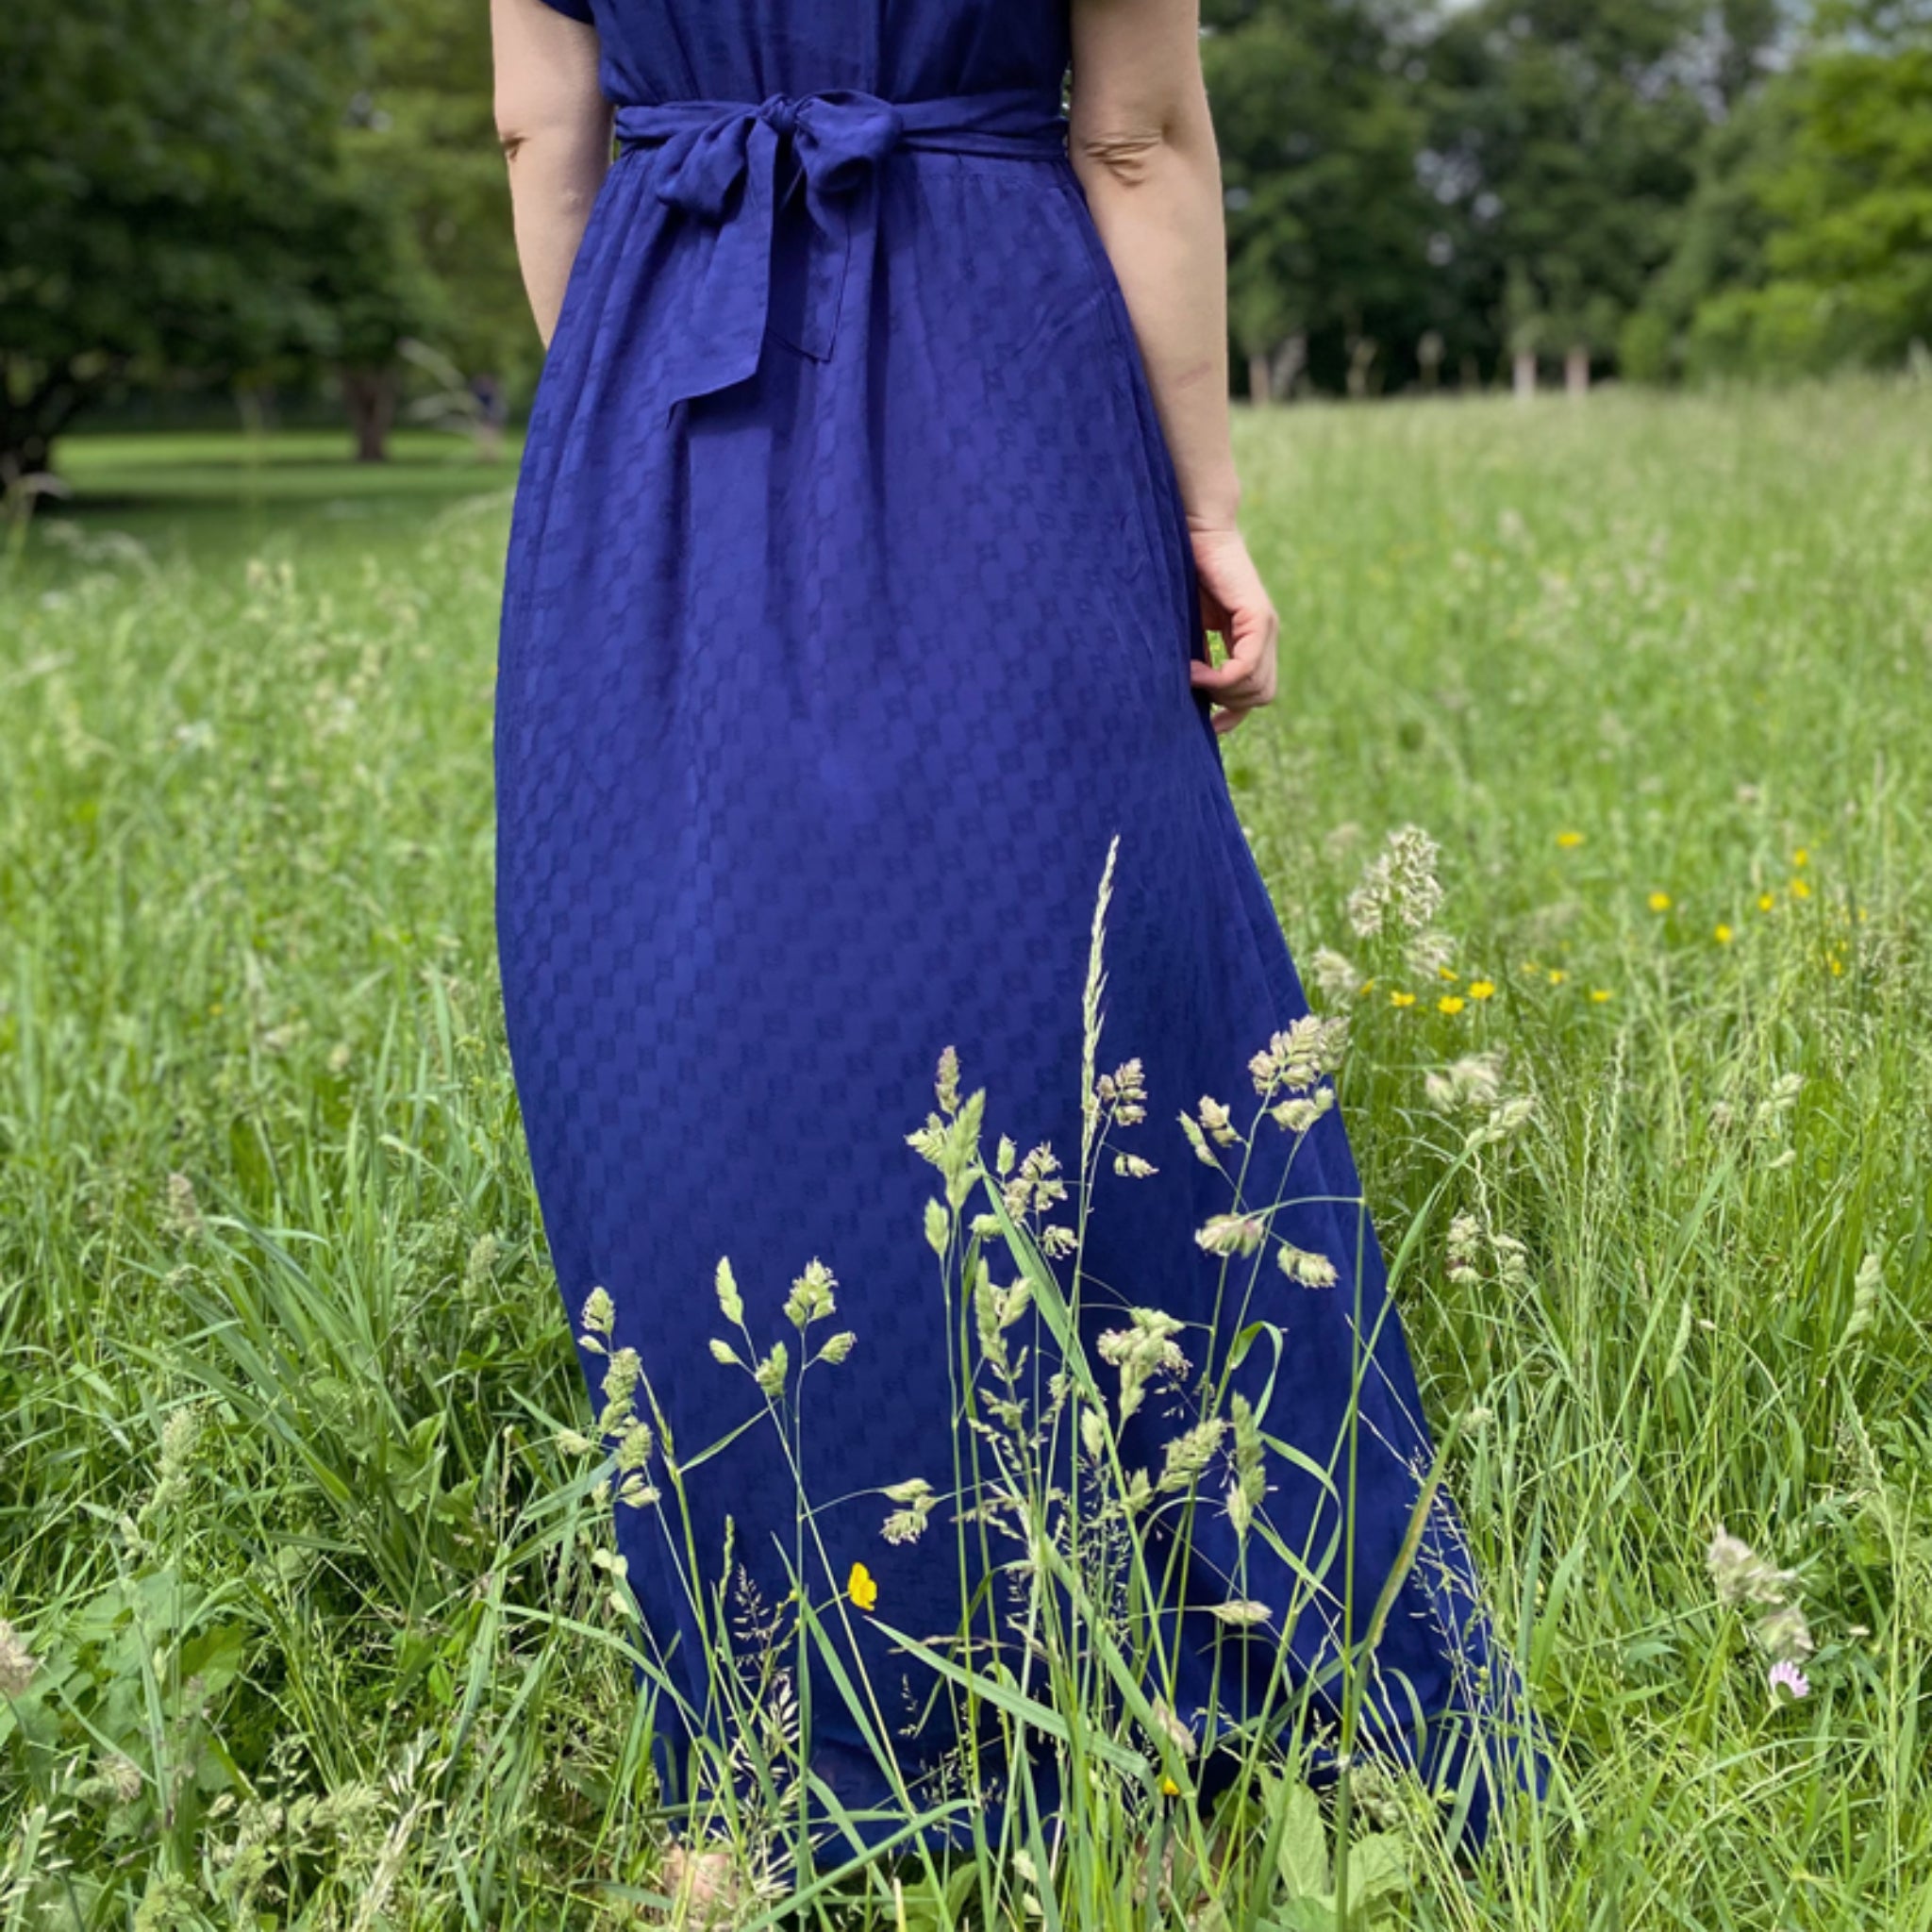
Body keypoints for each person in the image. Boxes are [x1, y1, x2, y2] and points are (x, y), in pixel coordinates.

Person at [490, 0, 1542, 1877]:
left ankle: (801, 1691)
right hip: (1001, 373)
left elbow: (535, 138)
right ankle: (1222, 1637)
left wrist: (663, 471)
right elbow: (1133, 137)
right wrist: (1207, 511)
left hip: (660, 369)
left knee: (701, 1011)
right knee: (1089, 955)